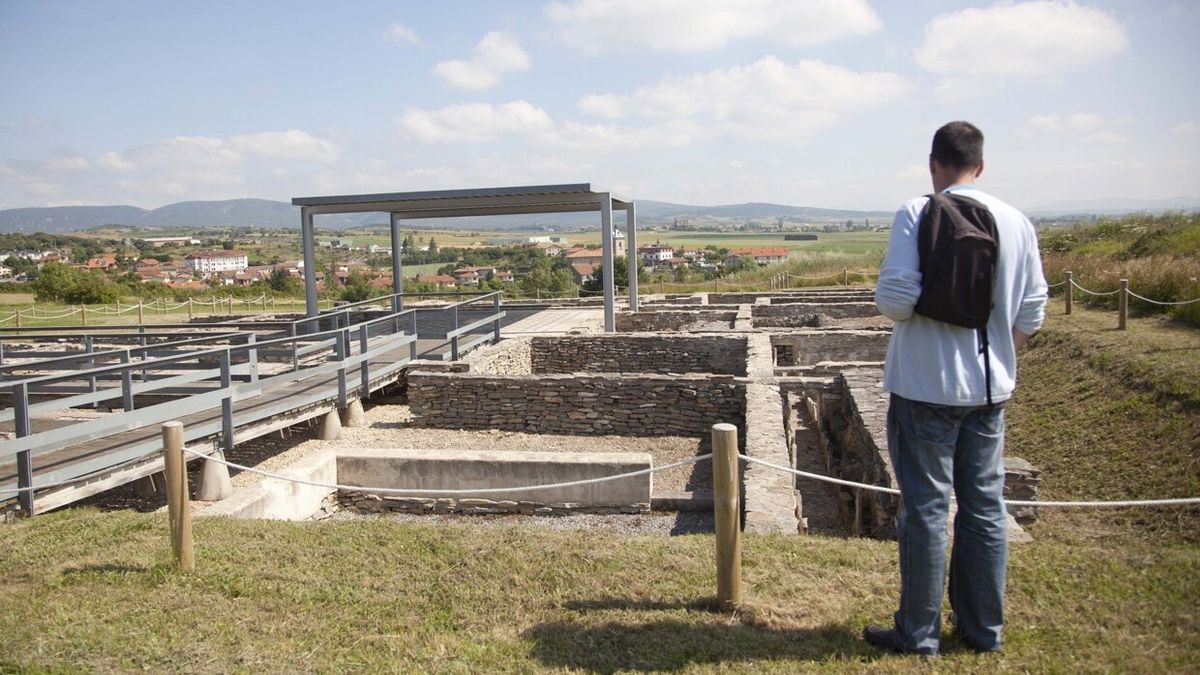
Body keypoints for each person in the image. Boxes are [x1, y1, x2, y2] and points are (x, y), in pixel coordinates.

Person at [867, 121, 1048, 656]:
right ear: (981, 165)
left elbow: (895, 300)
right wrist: (1001, 349)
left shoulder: (917, 212)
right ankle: (983, 630)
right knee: (986, 507)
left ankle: (918, 634)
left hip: (924, 385)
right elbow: (1033, 309)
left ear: (932, 164)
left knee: (925, 510)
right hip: (989, 391)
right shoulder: (1016, 222)